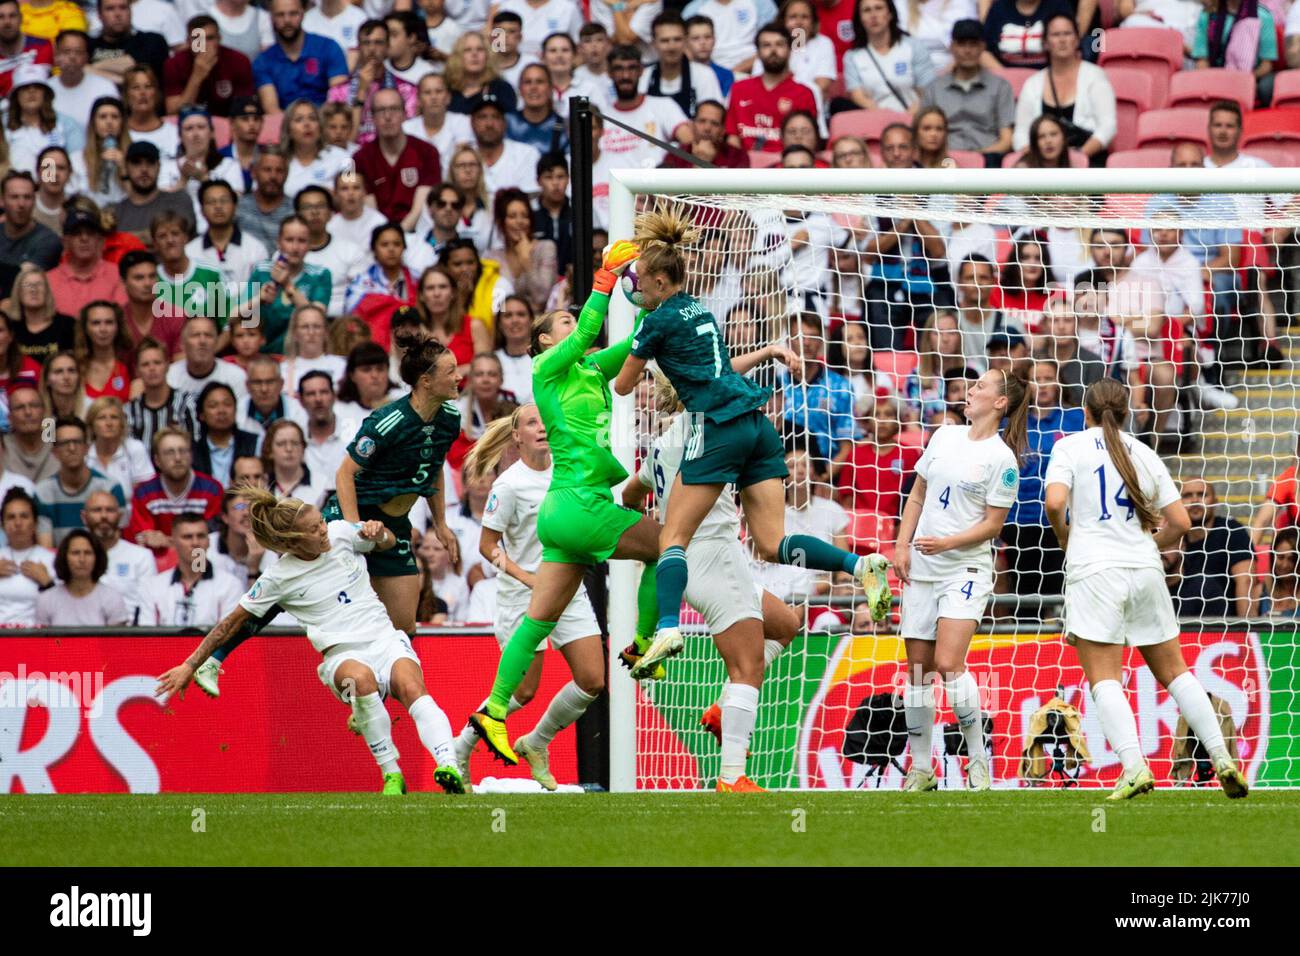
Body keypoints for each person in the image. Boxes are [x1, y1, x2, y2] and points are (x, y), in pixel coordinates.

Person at [464, 243, 663, 765]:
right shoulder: (547, 371)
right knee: (668, 547)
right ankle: (643, 645)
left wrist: (647, 292)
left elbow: (642, 339)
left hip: (564, 511)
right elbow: (583, 335)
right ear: (543, 342)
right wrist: (602, 278)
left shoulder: (592, 370)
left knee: (539, 618)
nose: (574, 324)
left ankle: (495, 710)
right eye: (562, 321)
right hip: (582, 505)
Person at [156, 488, 467, 795]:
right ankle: (392, 775)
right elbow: (230, 624)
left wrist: (378, 532)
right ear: (292, 541)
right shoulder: (278, 578)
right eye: (314, 528)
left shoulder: (342, 533)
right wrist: (191, 664)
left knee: (413, 688)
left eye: (321, 521)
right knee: (360, 681)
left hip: (384, 639)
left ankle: (448, 765)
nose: (323, 529)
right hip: (342, 655)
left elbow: (388, 542)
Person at [1043, 377, 1249, 800]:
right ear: (1126, 413)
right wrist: (1145, 545)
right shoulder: (1145, 452)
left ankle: (1135, 767)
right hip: (1144, 569)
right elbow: (1182, 523)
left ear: (1085, 413)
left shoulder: (1070, 446)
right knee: (1177, 673)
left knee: (1105, 679)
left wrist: (1068, 540)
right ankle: (1222, 759)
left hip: (1095, 571)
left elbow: (1053, 502)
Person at [446, 405, 606, 788]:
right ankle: (460, 748)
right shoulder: (509, 485)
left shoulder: (569, 472)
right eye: (531, 423)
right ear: (516, 437)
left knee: (593, 680)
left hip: (568, 589)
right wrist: (526, 576)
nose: (541, 428)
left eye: (544, 421)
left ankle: (537, 741)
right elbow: (487, 546)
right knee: (524, 690)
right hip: (523, 595)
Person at [891, 367, 1027, 791]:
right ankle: (921, 768)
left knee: (949, 664)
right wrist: (900, 545)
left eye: (981, 386)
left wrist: (946, 543)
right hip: (923, 565)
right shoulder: (944, 435)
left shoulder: (1003, 460)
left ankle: (978, 758)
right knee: (917, 671)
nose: (971, 390)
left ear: (1000, 402)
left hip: (964, 568)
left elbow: (992, 526)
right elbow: (917, 494)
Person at [322, 330, 464, 638]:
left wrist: (440, 523)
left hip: (395, 526)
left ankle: (390, 685)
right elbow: (345, 474)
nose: (459, 376)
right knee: (344, 623)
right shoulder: (389, 421)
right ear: (426, 381)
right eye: (451, 371)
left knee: (404, 628)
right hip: (356, 516)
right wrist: (353, 530)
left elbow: (434, 465)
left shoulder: (450, 418)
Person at [999, 358, 1084, 605]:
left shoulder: (1075, 419)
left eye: (1049, 378)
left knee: (1058, 592)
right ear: (1027, 384)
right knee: (1024, 593)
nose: (1043, 385)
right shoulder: (1012, 422)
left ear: (1059, 383)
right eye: (1037, 379)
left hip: (1060, 521)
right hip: (1019, 520)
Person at [1012, 14, 1116, 166]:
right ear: (1045, 42)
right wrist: (1039, 162)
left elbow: (1108, 127)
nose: (1062, 40)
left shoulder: (1095, 76)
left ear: (1076, 39)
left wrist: (1077, 158)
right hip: (1042, 167)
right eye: (1055, 34)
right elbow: (1020, 134)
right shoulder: (1033, 83)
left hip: (1087, 162)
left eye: (1067, 33)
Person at [351, 87, 440, 230]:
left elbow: (420, 209)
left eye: (394, 109)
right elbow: (369, 211)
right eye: (381, 110)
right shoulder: (361, 158)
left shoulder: (427, 152)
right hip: (376, 234)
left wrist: (399, 235)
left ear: (404, 114)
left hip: (418, 232)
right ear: (372, 117)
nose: (387, 116)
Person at [127, 426, 223, 558]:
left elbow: (211, 538)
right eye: (169, 452)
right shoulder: (143, 493)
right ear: (157, 460)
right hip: (159, 562)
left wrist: (168, 542)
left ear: (191, 456)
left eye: (183, 451)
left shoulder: (211, 489)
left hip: (200, 558)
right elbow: (144, 540)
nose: (178, 458)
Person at [137, 510, 245, 625]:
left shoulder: (230, 585)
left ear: (208, 541)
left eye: (201, 536)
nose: (195, 542)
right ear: (173, 542)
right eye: (187, 537)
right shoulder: (152, 586)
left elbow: (228, 635)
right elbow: (146, 637)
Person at [33, 415, 126, 546]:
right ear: (55, 452)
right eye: (64, 443)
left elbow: (117, 543)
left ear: (87, 448)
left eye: (77, 442)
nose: (71, 448)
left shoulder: (110, 488)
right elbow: (45, 548)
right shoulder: (42, 492)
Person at [246, 216, 332, 355]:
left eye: (302, 241)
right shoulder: (261, 271)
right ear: (279, 242)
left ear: (310, 244)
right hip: (263, 355)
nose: (295, 247)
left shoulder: (320, 274)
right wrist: (259, 299)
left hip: (303, 355)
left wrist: (288, 285)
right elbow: (243, 318)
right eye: (289, 240)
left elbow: (317, 319)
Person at [1169, 477, 1254, 618]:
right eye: (1187, 495)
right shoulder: (1174, 536)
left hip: (1226, 623)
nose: (1195, 500)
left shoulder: (1231, 531)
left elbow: (1245, 580)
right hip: (1182, 620)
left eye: (1202, 495)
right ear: (1179, 503)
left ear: (1215, 501)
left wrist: (1247, 628)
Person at [725, 25, 815, 153]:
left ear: (790, 50)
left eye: (779, 44)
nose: (773, 50)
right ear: (758, 52)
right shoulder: (739, 88)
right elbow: (732, 137)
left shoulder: (804, 93)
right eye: (766, 45)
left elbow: (807, 142)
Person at [601, 44, 691, 170]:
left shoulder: (663, 106)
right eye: (619, 69)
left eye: (631, 68)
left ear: (641, 71)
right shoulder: (601, 119)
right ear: (609, 73)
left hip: (657, 185)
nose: (625, 76)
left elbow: (689, 142)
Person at [254, 0, 349, 113]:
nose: (287, 20)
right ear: (271, 18)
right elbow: (272, 110)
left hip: (326, 123)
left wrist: (315, 123)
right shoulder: (263, 62)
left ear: (303, 14)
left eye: (293, 13)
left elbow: (338, 101)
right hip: (284, 126)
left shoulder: (329, 48)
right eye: (280, 15)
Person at [836, 395, 921, 517]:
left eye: (888, 414)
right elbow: (847, 497)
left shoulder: (909, 453)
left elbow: (915, 495)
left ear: (898, 421)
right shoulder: (855, 455)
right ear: (867, 422)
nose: (882, 420)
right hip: (861, 525)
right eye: (876, 414)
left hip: (898, 524)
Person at [843, 0, 935, 113]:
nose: (873, 15)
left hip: (914, 119)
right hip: (875, 121)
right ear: (860, 18)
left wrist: (908, 117)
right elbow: (858, 96)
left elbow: (927, 91)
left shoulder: (913, 46)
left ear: (890, 14)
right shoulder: (852, 56)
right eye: (867, 10)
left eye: (879, 8)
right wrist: (885, 119)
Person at [81, 487, 154, 623]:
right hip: (83, 635)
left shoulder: (141, 556)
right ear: (84, 517)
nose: (103, 516)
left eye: (110, 510)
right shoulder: (74, 557)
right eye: (97, 510)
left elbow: (148, 607)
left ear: (120, 516)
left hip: (129, 636)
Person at [163, 14, 255, 117]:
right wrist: (196, 77)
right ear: (188, 42)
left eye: (210, 38)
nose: (204, 45)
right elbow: (173, 114)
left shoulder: (239, 61)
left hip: (228, 124)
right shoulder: (174, 64)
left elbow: (245, 110)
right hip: (189, 125)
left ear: (219, 39)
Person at [296, 186, 368, 316]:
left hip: (342, 324)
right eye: (307, 207)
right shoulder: (287, 256)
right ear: (297, 214)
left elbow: (362, 297)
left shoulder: (351, 251)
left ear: (330, 213)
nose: (314, 212)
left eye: (320, 206)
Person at [34, 526, 128, 624]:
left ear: (97, 557)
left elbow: (118, 638)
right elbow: (42, 638)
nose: (82, 559)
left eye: (88, 553)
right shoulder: (46, 599)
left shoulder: (112, 598)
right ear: (64, 557)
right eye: (75, 553)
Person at [188, 180, 269, 291]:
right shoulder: (190, 251)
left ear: (235, 206)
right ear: (201, 210)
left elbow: (263, 293)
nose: (218, 206)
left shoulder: (256, 249)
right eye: (211, 202)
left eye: (224, 201)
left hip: (248, 308)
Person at [4, 63, 83, 176]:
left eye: (37, 87)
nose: (32, 92)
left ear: (46, 94)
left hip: (56, 188)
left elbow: (78, 168)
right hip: (16, 190)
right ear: (16, 95)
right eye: (25, 88)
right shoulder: (3, 127)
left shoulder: (67, 125)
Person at [111, 141, 196, 244]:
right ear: (126, 167)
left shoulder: (179, 200)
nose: (144, 169)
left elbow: (179, 235)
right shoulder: (116, 211)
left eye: (150, 162)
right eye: (136, 163)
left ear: (159, 166)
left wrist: (124, 239)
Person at [126, 336, 198, 446]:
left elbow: (196, 444)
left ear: (167, 365)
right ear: (137, 371)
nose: (152, 368)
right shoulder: (129, 411)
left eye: (157, 363)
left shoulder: (186, 403)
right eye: (145, 364)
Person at [0, 487, 56, 625]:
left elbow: (65, 607)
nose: (18, 523)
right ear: (2, 524)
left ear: (35, 523)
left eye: (24, 516)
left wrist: (48, 583)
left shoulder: (51, 560)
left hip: (38, 638)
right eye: (11, 517)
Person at [0, 172, 62, 295]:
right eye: (14, 197)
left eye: (27, 197)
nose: (21, 204)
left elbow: (22, 278)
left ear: (35, 200)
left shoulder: (48, 240)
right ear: (2, 201)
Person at [299, 369, 359, 492]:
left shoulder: (356, 434)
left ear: (334, 396)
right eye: (311, 394)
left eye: (324, 392)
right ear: (301, 400)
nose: (318, 399)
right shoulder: (294, 439)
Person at [403, 72, 473, 178]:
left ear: (448, 97)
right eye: (427, 92)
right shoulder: (406, 129)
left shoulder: (463, 122)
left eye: (439, 91)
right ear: (418, 99)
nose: (433, 97)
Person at [281, 99, 354, 199]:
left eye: (312, 118)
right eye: (299, 119)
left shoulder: (343, 158)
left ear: (320, 126)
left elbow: (351, 197)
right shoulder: (279, 161)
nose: (307, 124)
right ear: (288, 129)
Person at [192, 381, 260, 488]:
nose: (221, 411)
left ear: (236, 409)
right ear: (201, 415)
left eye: (227, 404)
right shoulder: (193, 451)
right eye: (213, 406)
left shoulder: (254, 442)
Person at [85, 396, 153, 501]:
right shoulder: (84, 455)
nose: (109, 423)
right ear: (92, 425)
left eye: (114, 417)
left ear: (122, 423)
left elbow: (148, 491)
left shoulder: (135, 448)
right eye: (102, 418)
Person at [417, 265, 482, 375]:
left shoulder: (474, 326)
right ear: (422, 296)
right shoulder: (414, 330)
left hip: (468, 391)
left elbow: (486, 367)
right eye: (430, 288)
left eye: (442, 287)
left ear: (453, 292)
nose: (437, 294)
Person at [168, 315, 248, 400]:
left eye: (208, 335)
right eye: (195, 335)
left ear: (217, 342)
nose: (202, 341)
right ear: (182, 344)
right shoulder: (169, 376)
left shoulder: (236, 377)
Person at [6, 264, 73, 365]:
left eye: (39, 284)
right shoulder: (9, 328)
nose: (34, 290)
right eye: (27, 285)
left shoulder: (68, 325)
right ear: (18, 292)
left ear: (47, 291)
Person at [49, 29, 116, 127]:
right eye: (66, 51)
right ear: (56, 55)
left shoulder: (105, 89)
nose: (72, 57)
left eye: (78, 52)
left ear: (86, 57)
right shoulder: (46, 90)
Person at [982, 0, 1074, 69]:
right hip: (1004, 83)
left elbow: (1069, 46)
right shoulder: (999, 8)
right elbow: (984, 50)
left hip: (1049, 80)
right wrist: (1007, 77)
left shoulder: (1059, 6)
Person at [444, 28, 516, 115]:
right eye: (467, 50)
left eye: (480, 49)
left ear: (487, 56)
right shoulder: (445, 89)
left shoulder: (501, 89)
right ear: (458, 57)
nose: (474, 54)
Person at [235, 146, 294, 251]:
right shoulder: (238, 208)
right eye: (267, 170)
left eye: (279, 170)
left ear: (287, 174)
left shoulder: (294, 211)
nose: (273, 176)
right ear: (253, 172)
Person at [281, 304, 347, 395]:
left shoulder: (342, 367)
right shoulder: (282, 371)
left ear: (325, 332)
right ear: (295, 333)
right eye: (305, 327)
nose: (311, 332)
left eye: (317, 327)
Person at [3, 383, 58, 482]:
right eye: (20, 407)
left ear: (44, 411)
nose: (28, 412)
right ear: (9, 418)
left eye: (34, 406)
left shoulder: (54, 437)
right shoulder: (3, 447)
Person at [121, 64, 176, 156]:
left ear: (156, 92)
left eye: (148, 86)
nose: (143, 93)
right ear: (126, 94)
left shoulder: (174, 133)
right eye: (136, 87)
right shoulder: (119, 134)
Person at [336, 340, 402, 416]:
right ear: (352, 375)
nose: (374, 375)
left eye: (380, 369)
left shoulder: (404, 402)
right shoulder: (339, 411)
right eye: (366, 370)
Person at [493, 295, 533, 403]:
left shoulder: (544, 358)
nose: (515, 320)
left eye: (521, 314)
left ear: (531, 320)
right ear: (499, 323)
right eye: (508, 315)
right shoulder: (492, 361)